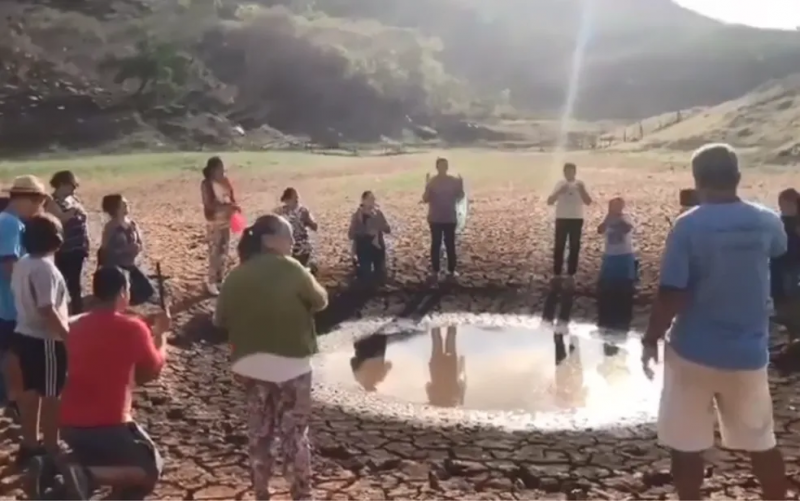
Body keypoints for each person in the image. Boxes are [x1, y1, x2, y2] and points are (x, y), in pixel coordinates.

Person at [642, 143, 788, 500]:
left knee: (686, 444)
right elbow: (780, 251)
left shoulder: (688, 226)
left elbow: (671, 293)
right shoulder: (767, 221)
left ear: (697, 180)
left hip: (692, 351)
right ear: (737, 177)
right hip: (748, 353)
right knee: (761, 441)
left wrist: (650, 338)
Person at [214, 214, 328, 500]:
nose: (292, 241)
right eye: (287, 236)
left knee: (260, 433)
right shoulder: (292, 268)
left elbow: (219, 319)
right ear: (269, 240)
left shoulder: (236, 276)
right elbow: (320, 301)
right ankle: (301, 493)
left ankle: (261, 492)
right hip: (292, 364)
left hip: (250, 365)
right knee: (294, 434)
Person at [41, 266, 170, 500]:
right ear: (122, 292)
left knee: (96, 460)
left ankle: (59, 475)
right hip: (110, 426)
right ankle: (86, 475)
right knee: (151, 469)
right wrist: (161, 336)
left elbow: (100, 337)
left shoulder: (71, 325)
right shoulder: (133, 329)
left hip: (69, 426)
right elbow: (153, 369)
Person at [9, 214, 70, 470]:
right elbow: (47, 308)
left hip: (23, 334)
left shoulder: (23, 263)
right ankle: (52, 445)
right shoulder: (46, 269)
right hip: (46, 339)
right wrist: (67, 334)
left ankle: (30, 443)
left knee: (30, 393)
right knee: (52, 395)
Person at [0, 176, 48, 423]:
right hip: (8, 307)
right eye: (39, 203)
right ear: (30, 199)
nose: (39, 210)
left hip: (7, 305)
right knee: (12, 357)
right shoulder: (9, 224)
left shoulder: (9, 222)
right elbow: (9, 265)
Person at [98, 194, 154, 306]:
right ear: (116, 208)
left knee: (147, 290)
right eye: (123, 204)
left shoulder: (132, 224)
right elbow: (105, 251)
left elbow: (139, 242)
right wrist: (124, 250)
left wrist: (138, 247)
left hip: (130, 265)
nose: (127, 205)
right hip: (116, 269)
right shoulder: (110, 228)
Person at [48, 171, 89, 314]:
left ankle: (77, 310)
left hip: (78, 248)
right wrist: (74, 211)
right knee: (62, 282)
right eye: (72, 185)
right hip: (64, 250)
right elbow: (58, 220)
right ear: (61, 184)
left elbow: (83, 218)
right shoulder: (52, 202)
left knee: (75, 283)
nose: (74, 189)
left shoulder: (74, 200)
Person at [546, 162, 592, 288]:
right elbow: (550, 201)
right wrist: (559, 191)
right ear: (564, 172)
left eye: (571, 171)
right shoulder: (560, 184)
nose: (569, 174)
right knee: (559, 245)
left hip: (576, 218)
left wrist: (582, 190)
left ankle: (571, 272)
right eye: (567, 172)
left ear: (575, 172)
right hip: (562, 217)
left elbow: (588, 202)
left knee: (574, 245)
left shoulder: (580, 184)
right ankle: (557, 272)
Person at [596, 197, 637, 331]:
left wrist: (617, 218)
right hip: (610, 255)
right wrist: (608, 219)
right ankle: (606, 318)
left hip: (624, 255)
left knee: (625, 287)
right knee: (607, 287)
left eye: (617, 206)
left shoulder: (626, 217)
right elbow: (600, 230)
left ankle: (623, 318)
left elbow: (627, 228)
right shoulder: (608, 219)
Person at [200, 156, 239, 296]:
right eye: (220, 168)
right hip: (214, 222)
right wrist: (227, 206)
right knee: (214, 252)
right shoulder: (206, 184)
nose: (223, 171)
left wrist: (233, 207)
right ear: (213, 170)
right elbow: (209, 204)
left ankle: (219, 280)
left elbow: (232, 198)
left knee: (224, 251)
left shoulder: (225, 182)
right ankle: (211, 282)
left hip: (226, 221)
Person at [422, 158, 465, 281]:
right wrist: (427, 187)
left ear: (447, 167)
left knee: (449, 244)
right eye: (441, 166)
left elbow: (460, 196)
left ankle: (451, 269)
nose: (443, 168)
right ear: (437, 167)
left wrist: (461, 186)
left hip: (449, 217)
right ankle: (435, 269)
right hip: (435, 218)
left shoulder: (453, 181)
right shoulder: (432, 182)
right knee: (436, 244)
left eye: (444, 166)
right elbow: (425, 199)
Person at [348, 191, 391, 281]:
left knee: (380, 275)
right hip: (363, 249)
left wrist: (380, 225)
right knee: (365, 275)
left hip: (378, 248)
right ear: (363, 201)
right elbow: (350, 235)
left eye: (373, 199)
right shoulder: (357, 216)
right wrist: (364, 231)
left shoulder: (378, 213)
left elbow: (388, 229)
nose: (372, 202)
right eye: (370, 199)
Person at [274, 188, 318, 268]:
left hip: (301, 247)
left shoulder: (302, 211)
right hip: (288, 247)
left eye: (296, 197)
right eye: (286, 200)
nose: (296, 199)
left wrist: (307, 221)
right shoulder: (281, 212)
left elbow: (314, 226)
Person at [426, 326, 466, 408]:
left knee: (448, 339)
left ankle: (448, 323)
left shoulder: (451, 398)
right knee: (437, 340)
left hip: (448, 367)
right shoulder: (436, 399)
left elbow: (461, 386)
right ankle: (438, 323)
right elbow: (428, 386)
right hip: (438, 367)